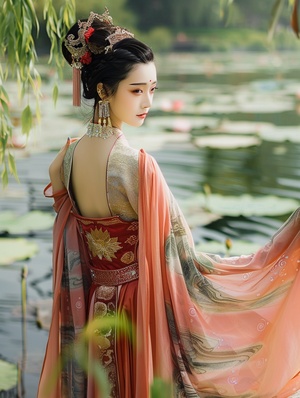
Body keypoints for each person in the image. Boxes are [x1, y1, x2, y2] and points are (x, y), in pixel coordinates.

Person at [37, 9, 300, 398]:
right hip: (140, 311)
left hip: (95, 307)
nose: (148, 102)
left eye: (153, 89)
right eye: (136, 90)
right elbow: (183, 260)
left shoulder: (65, 159)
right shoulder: (135, 166)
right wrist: (274, 255)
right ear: (105, 91)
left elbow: (74, 249)